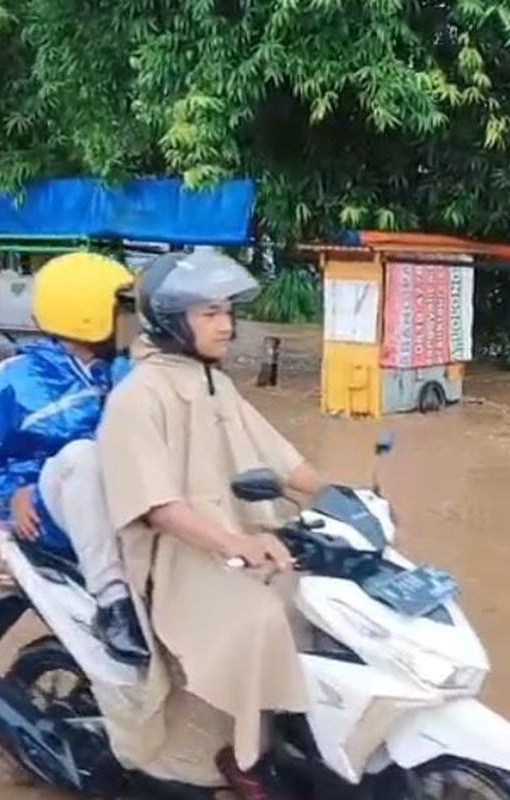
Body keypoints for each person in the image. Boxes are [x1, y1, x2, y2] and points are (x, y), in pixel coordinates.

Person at [96, 249, 327, 799]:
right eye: (209, 314)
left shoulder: (212, 382)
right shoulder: (137, 397)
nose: (226, 325)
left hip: (242, 537)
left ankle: (297, 731)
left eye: (227, 311)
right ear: (174, 321)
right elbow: (157, 507)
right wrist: (234, 543)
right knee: (264, 616)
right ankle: (246, 755)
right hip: (177, 558)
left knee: (318, 598)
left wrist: (349, 500)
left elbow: (283, 462)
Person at [0, 251, 148, 666]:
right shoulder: (18, 381)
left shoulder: (126, 371)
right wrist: (11, 491)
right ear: (87, 315)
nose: (132, 319)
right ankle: (113, 602)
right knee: (82, 456)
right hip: (49, 510)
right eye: (123, 309)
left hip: (122, 504)